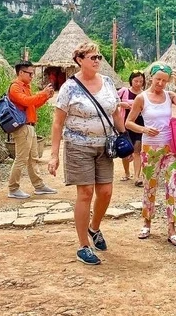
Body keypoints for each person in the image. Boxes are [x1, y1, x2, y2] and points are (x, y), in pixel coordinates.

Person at [48, 42, 127, 265]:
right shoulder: (69, 88)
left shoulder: (109, 83)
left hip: (105, 145)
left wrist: (125, 140)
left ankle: (94, 228)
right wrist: (54, 154)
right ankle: (83, 245)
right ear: (79, 60)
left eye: (99, 57)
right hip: (77, 145)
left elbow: (115, 113)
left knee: (106, 191)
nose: (97, 61)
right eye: (92, 57)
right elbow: (57, 123)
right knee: (85, 192)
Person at [125, 63, 176, 246]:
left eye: (165, 80)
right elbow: (128, 123)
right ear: (151, 78)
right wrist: (144, 129)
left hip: (171, 148)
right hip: (150, 149)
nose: (161, 83)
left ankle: (172, 228)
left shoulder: (169, 96)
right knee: (150, 186)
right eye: (158, 79)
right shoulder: (141, 98)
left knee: (172, 186)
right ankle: (147, 223)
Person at [7, 61, 56, 199]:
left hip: (29, 126)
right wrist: (43, 93)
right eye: (30, 73)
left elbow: (33, 104)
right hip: (23, 126)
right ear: (21, 73)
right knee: (21, 158)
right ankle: (13, 188)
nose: (32, 76)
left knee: (33, 158)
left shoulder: (25, 87)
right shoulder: (15, 87)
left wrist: (45, 96)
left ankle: (39, 186)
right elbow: (27, 101)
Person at [118, 70, 146, 186]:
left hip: (140, 125)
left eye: (141, 81)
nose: (138, 83)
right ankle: (126, 172)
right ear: (131, 80)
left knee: (137, 150)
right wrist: (120, 104)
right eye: (136, 81)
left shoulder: (145, 94)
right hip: (125, 124)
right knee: (126, 149)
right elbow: (112, 101)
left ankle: (137, 177)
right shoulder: (124, 92)